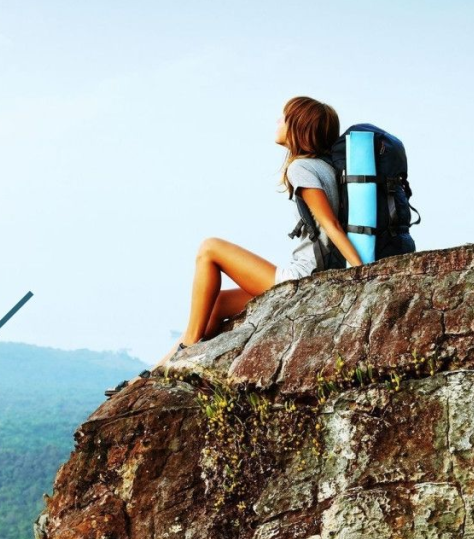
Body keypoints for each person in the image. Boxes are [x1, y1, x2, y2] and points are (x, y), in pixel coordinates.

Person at [106, 96, 363, 398]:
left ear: (298, 126)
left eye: (283, 117)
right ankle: (151, 376)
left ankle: (186, 348)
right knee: (212, 307)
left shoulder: (302, 169)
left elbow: (330, 225)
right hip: (311, 276)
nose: (277, 123)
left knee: (209, 248)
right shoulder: (324, 167)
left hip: (301, 279)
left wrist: (362, 274)